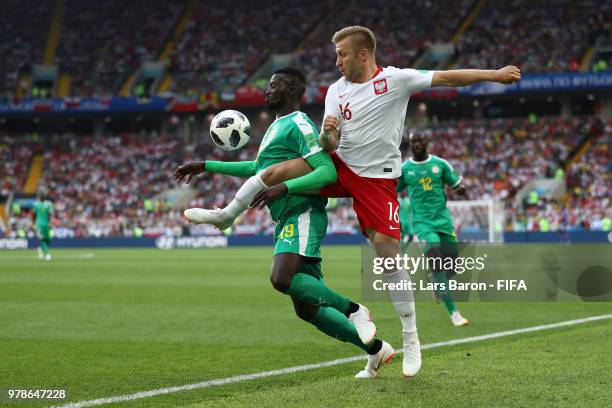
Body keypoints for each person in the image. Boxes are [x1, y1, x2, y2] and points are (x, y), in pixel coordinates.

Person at [184, 26, 520, 377]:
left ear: (363, 53)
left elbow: (448, 77)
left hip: (376, 180)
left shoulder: (395, 80)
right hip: (341, 168)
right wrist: (330, 133)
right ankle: (226, 216)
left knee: (388, 257)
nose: (336, 61)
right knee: (273, 171)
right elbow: (328, 145)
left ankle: (411, 339)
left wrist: (494, 75)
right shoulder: (335, 91)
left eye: (342, 54)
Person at [174, 68, 395, 379]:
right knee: (306, 309)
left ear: (292, 89)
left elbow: (326, 172)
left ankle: (354, 310)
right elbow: (258, 169)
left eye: (273, 85)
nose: (267, 90)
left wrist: (284, 188)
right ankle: (376, 351)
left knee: (281, 278)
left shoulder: (301, 124)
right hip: (285, 218)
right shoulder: (278, 127)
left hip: (302, 212)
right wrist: (206, 165)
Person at [397, 132, 469, 326]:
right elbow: (391, 190)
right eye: (414, 142)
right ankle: (454, 313)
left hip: (443, 221)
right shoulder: (405, 169)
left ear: (427, 142)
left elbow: (457, 183)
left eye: (420, 141)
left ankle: (435, 281)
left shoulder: (441, 164)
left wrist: (460, 189)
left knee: (452, 265)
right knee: (436, 261)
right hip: (422, 224)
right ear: (410, 145)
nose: (417, 144)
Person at [32, 190, 53, 261]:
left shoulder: (48, 204)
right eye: (41, 195)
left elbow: (50, 214)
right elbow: (34, 215)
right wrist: (33, 223)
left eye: (43, 195)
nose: (41, 196)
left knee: (47, 239)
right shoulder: (35, 204)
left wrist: (50, 222)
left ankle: (40, 249)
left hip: (46, 224)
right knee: (43, 239)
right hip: (39, 224)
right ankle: (47, 254)